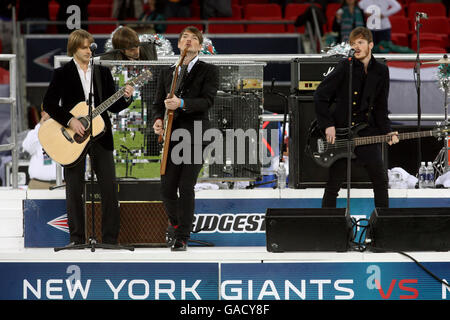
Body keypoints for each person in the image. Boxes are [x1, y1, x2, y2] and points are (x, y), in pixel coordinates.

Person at [43, 29, 134, 247]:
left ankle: (110, 239)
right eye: (83, 47)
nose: (88, 50)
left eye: (90, 46)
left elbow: (114, 106)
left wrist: (127, 98)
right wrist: (71, 121)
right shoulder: (62, 73)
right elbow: (49, 104)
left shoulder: (102, 72)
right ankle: (77, 239)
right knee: (74, 188)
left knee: (109, 187)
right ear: (74, 49)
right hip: (73, 138)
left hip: (101, 135)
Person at [314, 26, 399, 209]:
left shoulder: (381, 71)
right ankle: (327, 226)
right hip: (343, 133)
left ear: (370, 45)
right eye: (353, 43)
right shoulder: (346, 66)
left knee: (381, 182)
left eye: (360, 42)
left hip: (367, 133)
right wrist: (328, 125)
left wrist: (388, 132)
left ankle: (383, 227)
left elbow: (381, 107)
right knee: (333, 185)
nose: (357, 46)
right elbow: (320, 95)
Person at [152, 26, 219, 251]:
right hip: (172, 135)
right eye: (184, 37)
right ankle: (178, 224)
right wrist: (157, 120)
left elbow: (207, 101)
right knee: (167, 188)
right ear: (179, 44)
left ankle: (182, 237)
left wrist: (182, 103)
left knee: (186, 185)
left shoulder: (208, 70)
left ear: (200, 45)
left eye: (193, 38)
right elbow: (157, 104)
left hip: (195, 134)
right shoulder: (166, 72)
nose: (187, 40)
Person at [22, 109, 59, 189]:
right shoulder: (34, 132)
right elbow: (27, 147)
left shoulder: (65, 131)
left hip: (61, 184)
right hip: (38, 184)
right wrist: (40, 127)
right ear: (42, 114)